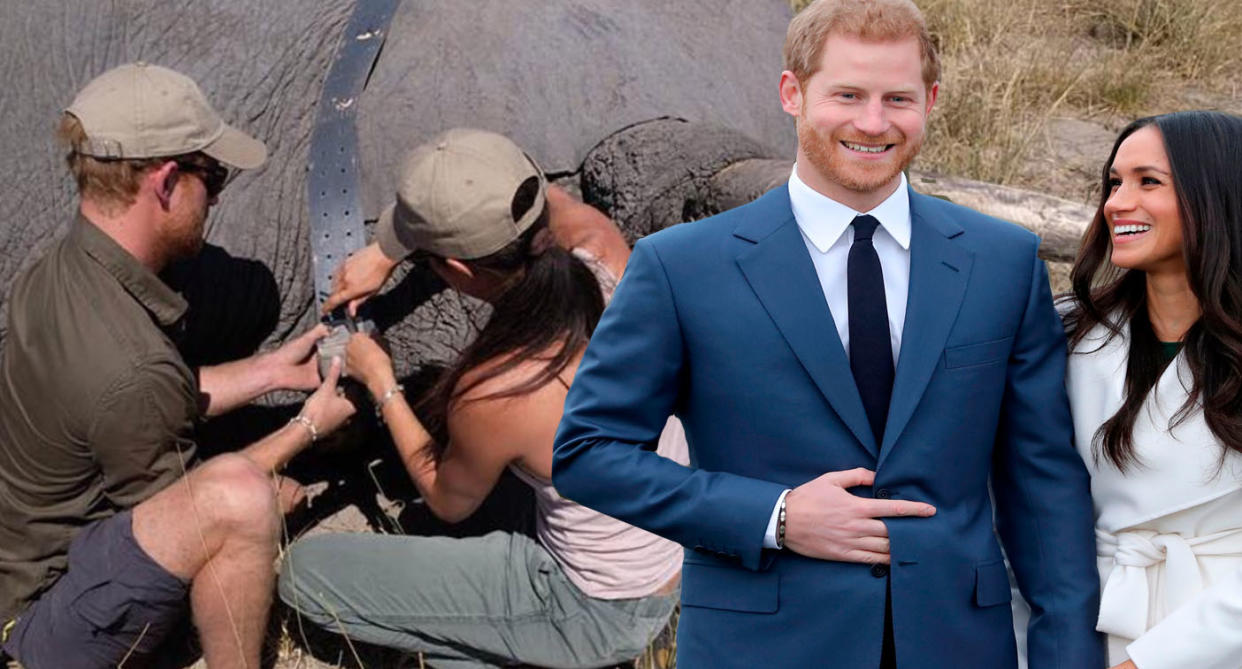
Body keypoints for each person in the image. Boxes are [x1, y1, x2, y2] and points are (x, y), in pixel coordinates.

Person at [551, 0, 1105, 666]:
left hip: (959, 644)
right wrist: (775, 515)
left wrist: (1068, 652)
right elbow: (588, 452)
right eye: (847, 94)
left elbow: (1043, 482)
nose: (873, 123)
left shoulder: (1002, 261)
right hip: (760, 647)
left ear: (930, 99)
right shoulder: (680, 266)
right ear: (793, 93)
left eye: (897, 98)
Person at [278, 128, 685, 669]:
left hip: (599, 607)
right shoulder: (608, 255)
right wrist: (387, 252)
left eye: (429, 262)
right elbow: (547, 200)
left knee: (303, 573)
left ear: (460, 271)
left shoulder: (501, 388)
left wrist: (382, 382)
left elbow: (446, 499)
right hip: (677, 552)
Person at [0, 63, 356, 669]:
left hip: (19, 552)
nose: (215, 198)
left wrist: (270, 371)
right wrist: (308, 429)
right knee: (248, 502)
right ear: (165, 184)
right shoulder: (131, 370)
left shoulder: (59, 271)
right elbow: (200, 503)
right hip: (43, 624)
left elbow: (135, 397)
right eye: (212, 178)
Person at [1059, 110, 1242, 669]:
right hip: (1084, 624)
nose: (1116, 202)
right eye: (1115, 182)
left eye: (1148, 182)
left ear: (1213, 195)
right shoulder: (1065, 333)